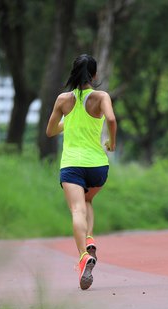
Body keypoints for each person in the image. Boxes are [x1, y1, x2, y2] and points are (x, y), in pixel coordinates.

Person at [46, 54, 117, 291]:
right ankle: (89, 238)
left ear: (73, 73)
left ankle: (83, 256)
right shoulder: (101, 96)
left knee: (76, 209)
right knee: (87, 200)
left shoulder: (63, 100)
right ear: (94, 75)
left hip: (72, 166)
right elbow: (111, 119)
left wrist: (69, 121)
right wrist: (112, 143)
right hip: (97, 165)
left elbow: (50, 131)